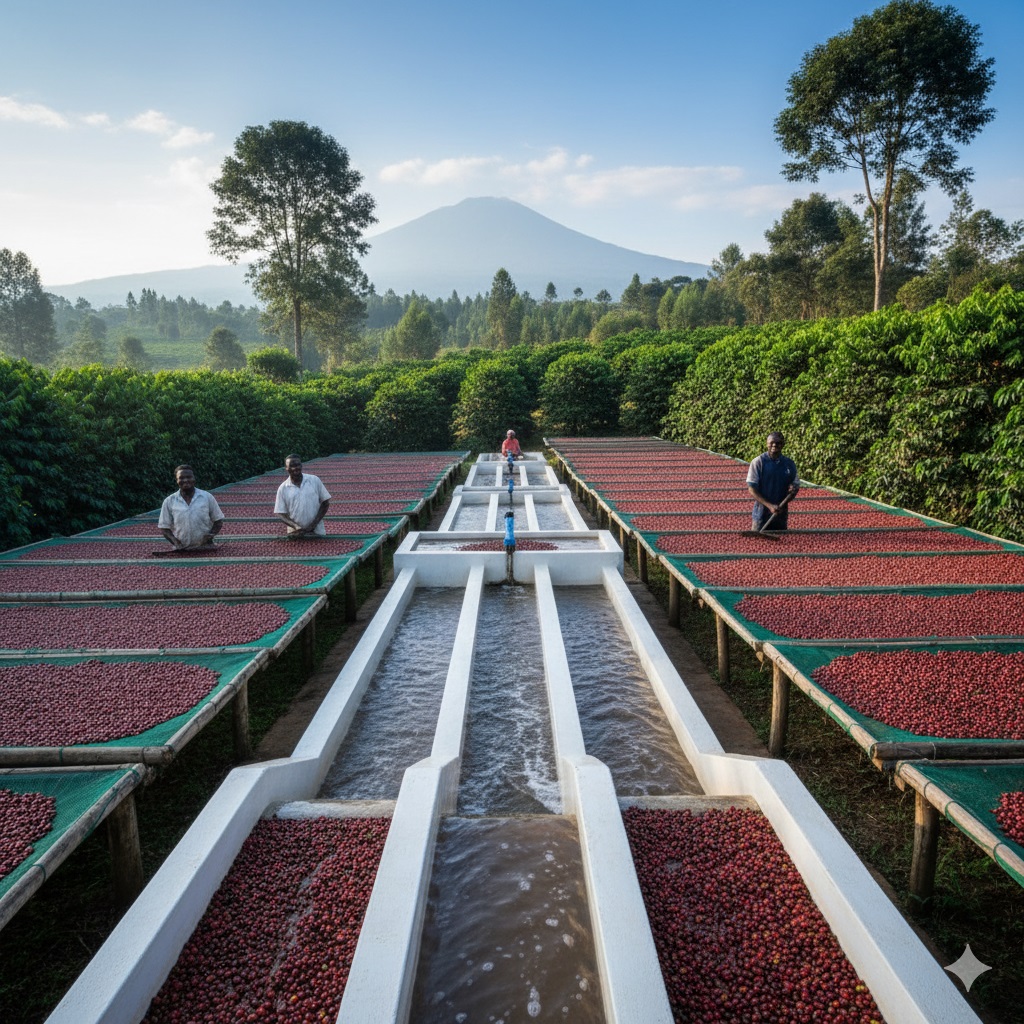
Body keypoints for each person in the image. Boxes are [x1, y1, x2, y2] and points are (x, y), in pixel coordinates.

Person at [158, 465, 224, 549]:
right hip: (182, 549)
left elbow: (218, 520)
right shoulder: (169, 501)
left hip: (206, 547)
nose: (185, 480)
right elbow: (164, 527)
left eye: (189, 477)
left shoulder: (207, 497)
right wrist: (175, 542)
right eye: (181, 478)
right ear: (177, 480)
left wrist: (210, 535)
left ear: (194, 479)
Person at [747, 432, 799, 531]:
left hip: (780, 513)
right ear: (767, 443)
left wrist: (792, 490)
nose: (774, 445)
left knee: (779, 544)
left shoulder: (789, 464)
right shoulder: (758, 462)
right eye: (772, 442)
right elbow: (752, 489)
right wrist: (770, 506)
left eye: (778, 442)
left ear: (783, 445)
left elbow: (795, 485)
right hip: (761, 514)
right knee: (758, 543)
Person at [274, 454, 331, 537]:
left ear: (301, 465)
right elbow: (280, 513)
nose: (295, 468)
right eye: (291, 466)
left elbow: (325, 502)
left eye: (297, 465)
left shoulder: (314, 480)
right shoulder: (283, 488)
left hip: (317, 530)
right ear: (286, 468)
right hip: (295, 533)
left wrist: (313, 524)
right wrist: (295, 526)